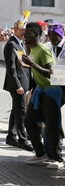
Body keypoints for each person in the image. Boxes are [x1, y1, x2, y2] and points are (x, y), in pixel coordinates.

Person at [22, 22, 63, 167]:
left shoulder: (43, 50)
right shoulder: (32, 49)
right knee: (29, 121)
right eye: (24, 33)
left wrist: (31, 64)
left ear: (36, 35)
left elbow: (50, 73)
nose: (24, 35)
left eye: (28, 33)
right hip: (39, 91)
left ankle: (58, 159)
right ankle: (41, 153)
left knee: (51, 126)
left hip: (51, 92)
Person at [43, 21, 65, 168]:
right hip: (53, 88)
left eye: (55, 35)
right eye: (50, 35)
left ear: (61, 34)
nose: (52, 38)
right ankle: (53, 154)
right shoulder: (47, 47)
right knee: (51, 120)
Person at [3, 21, 33, 151]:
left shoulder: (20, 44)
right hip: (17, 84)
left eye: (25, 29)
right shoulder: (11, 44)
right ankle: (22, 139)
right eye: (21, 29)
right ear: (15, 29)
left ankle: (11, 136)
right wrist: (17, 85)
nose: (24, 31)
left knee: (16, 109)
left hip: (23, 82)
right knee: (21, 110)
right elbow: (11, 69)